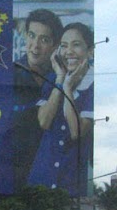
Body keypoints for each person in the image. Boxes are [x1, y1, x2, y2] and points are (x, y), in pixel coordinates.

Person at [28, 22, 94, 194]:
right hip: (40, 181)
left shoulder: (93, 86)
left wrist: (68, 88)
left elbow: (75, 131)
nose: (69, 52)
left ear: (91, 51)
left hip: (71, 185)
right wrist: (60, 79)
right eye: (64, 46)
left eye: (76, 45)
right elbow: (44, 121)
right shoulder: (53, 79)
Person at [12, 9, 64, 190]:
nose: (35, 46)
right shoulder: (11, 74)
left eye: (44, 40)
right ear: (25, 36)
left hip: (52, 178)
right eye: (32, 36)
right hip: (10, 172)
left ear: (55, 46)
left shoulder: (61, 75)